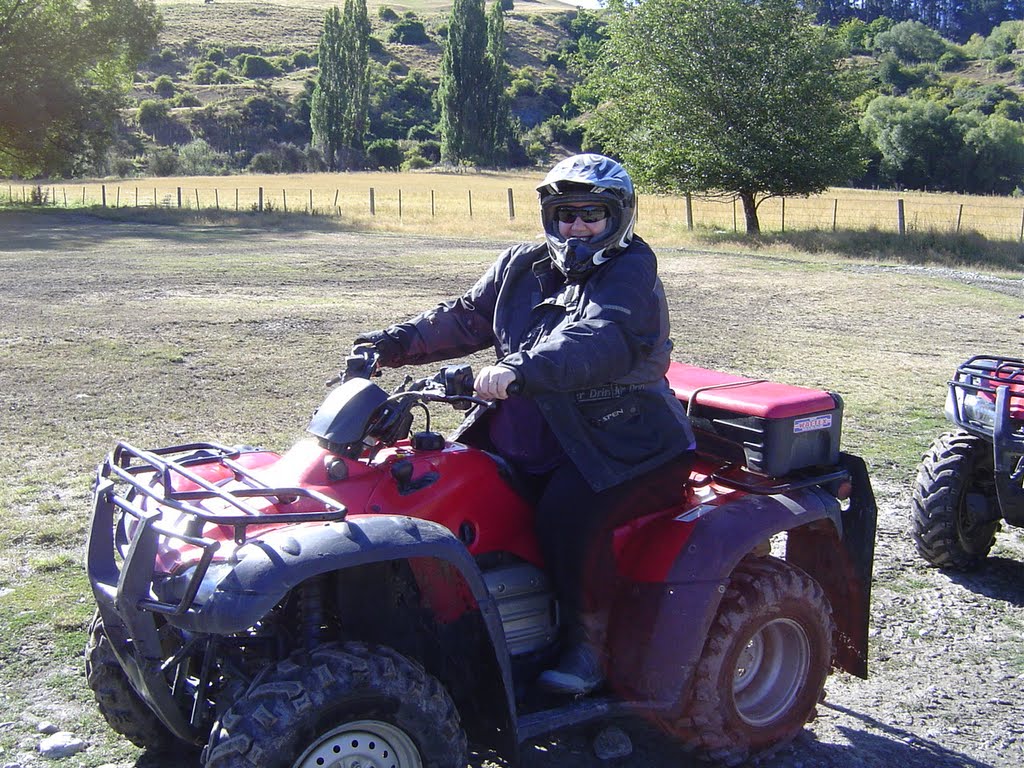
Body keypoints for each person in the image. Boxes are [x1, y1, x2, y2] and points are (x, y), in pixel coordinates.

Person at [354, 154, 696, 695]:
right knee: (442, 484)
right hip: (529, 428)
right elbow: (465, 316)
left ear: (618, 217)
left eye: (592, 214)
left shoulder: (631, 270)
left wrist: (518, 368)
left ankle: (589, 649)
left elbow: (601, 337)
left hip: (620, 441)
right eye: (566, 214)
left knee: (566, 519)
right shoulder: (522, 263)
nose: (577, 226)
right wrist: (390, 344)